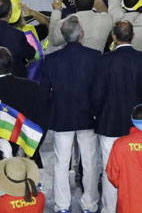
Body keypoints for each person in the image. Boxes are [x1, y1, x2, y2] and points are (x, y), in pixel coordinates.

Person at [40, 15, 101, 213]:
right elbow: (99, 89)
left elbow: (43, 92)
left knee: (61, 163)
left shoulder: (51, 60)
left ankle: (62, 205)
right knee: (90, 162)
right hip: (88, 117)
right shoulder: (94, 56)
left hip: (61, 117)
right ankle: (90, 204)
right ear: (81, 34)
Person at [93, 20, 142, 213]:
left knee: (110, 169)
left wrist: (97, 115)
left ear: (113, 37)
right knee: (138, 170)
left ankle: (110, 209)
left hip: (109, 124)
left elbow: (97, 94)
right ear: (133, 36)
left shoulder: (103, 61)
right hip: (139, 127)